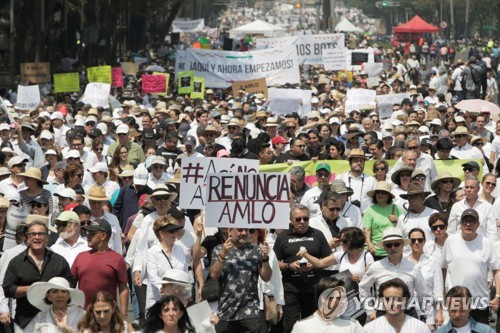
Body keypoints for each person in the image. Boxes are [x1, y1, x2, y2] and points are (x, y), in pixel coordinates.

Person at [2, 221, 76, 330]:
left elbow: (71, 284)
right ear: (28, 237)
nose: (37, 237)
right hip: (25, 321)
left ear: (47, 238)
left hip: (54, 320)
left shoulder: (58, 260)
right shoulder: (16, 262)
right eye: (33, 234)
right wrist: (31, 289)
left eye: (41, 234)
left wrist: (55, 290)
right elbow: (8, 288)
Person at [359, 227, 434, 329]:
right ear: (384, 247)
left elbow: (423, 294)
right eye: (389, 245)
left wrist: (429, 319)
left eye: (396, 244)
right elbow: (363, 287)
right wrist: (370, 311)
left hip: (409, 313)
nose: (393, 247)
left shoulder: (414, 268)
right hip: (383, 313)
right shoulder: (375, 267)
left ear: (402, 245)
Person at [273, 204, 331, 333]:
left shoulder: (318, 234)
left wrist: (315, 264)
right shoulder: (283, 237)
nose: (302, 222)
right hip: (290, 289)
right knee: (290, 326)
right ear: (291, 220)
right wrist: (289, 266)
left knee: (312, 325)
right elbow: (274, 263)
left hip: (313, 288)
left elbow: (329, 260)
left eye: (306, 218)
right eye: (298, 219)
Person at [297, 227, 373, 324]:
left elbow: (371, 280)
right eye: (340, 240)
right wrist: (305, 254)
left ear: (354, 241)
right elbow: (320, 263)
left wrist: (361, 279)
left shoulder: (367, 257)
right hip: (343, 301)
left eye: (344, 241)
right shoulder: (341, 254)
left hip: (360, 301)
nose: (341, 243)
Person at [442, 209, 500, 325]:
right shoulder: (450, 242)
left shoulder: (487, 243)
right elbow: (443, 268)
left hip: (480, 303)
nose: (468, 224)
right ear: (460, 224)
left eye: (471, 221)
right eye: (465, 221)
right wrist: (443, 292)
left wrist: (498, 295)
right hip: (457, 303)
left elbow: (496, 270)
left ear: (478, 224)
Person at [210, 227, 271, 333]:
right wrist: (223, 254)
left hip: (249, 311)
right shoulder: (218, 249)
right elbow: (214, 275)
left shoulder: (256, 250)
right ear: (230, 230)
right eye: (240, 230)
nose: (244, 233)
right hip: (225, 311)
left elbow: (266, 277)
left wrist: (265, 259)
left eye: (246, 230)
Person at [71, 219, 129, 314]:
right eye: (88, 233)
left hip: (108, 315)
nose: (87, 236)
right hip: (83, 315)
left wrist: (123, 315)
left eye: (92, 234)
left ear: (103, 236)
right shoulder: (80, 257)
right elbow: (70, 286)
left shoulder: (117, 259)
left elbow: (123, 288)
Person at [290, 276, 363, 333]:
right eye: (338, 298)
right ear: (324, 298)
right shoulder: (302, 327)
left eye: (344, 297)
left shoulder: (353, 326)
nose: (344, 301)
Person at [145, 216, 187, 311]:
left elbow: (184, 271)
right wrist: (163, 288)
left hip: (177, 300)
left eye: (176, 231)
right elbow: (152, 275)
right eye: (172, 231)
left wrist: (184, 289)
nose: (175, 233)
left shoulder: (180, 249)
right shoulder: (153, 251)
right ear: (161, 233)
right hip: (157, 301)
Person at [405, 228, 444, 326]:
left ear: (424, 241)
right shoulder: (403, 262)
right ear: (409, 242)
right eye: (413, 240)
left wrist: (439, 312)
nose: (416, 242)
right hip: (408, 311)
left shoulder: (433, 261)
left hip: (429, 310)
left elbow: (438, 290)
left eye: (420, 240)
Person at [363, 278, 432, 333]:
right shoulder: (369, 329)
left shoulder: (420, 328)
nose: (392, 303)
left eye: (397, 299)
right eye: (387, 299)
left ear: (406, 300)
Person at [447, 176, 496, 242]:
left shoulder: (487, 207)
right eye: (466, 187)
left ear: (478, 189)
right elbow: (451, 231)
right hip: (460, 245)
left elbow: (492, 232)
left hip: (480, 247)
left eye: (472, 187)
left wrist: (490, 248)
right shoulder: (456, 207)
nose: (468, 190)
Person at [363, 181, 404, 260]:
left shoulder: (397, 208)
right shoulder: (369, 210)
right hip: (376, 252)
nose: (380, 194)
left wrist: (397, 220)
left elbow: (406, 225)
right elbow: (366, 230)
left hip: (395, 250)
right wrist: (369, 244)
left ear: (388, 195)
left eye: (383, 193)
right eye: (378, 192)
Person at [396, 184, 437, 251]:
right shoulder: (402, 218)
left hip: (430, 258)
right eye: (409, 198)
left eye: (415, 197)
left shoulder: (434, 214)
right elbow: (398, 240)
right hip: (408, 258)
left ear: (423, 198)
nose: (412, 200)